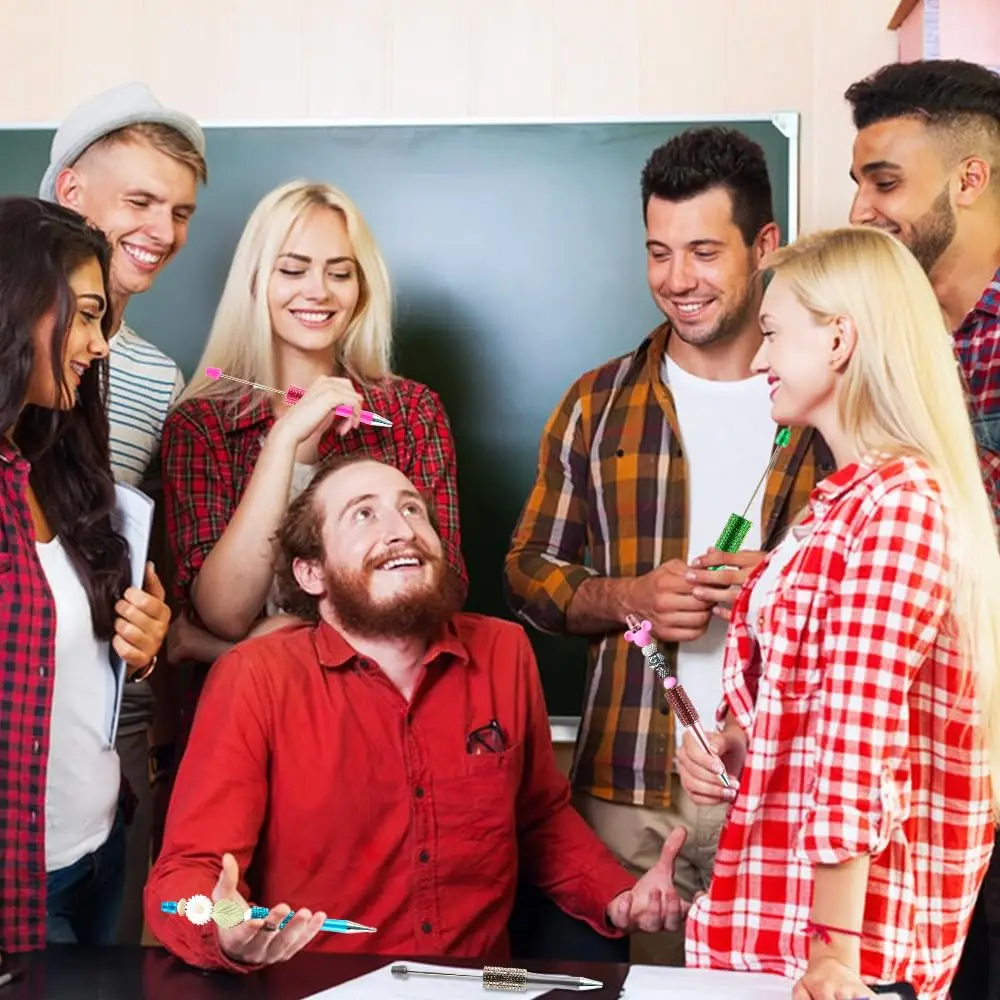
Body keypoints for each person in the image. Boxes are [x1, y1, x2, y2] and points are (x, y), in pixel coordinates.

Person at [144, 455, 687, 970]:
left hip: (486, 979)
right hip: (322, 987)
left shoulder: (505, 651)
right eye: (364, 513)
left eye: (412, 509)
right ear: (312, 574)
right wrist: (226, 925)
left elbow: (539, 819)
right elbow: (185, 876)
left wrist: (616, 895)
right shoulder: (255, 677)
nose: (401, 529)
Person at [503, 127, 833, 964]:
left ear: (766, 245)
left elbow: (888, 585)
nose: (677, 281)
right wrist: (633, 598)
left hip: (786, 780)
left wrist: (774, 585)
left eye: (703, 251)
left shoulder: (829, 400)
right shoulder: (597, 402)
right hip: (628, 787)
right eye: (658, 252)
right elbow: (526, 574)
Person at [675, 226, 1000, 1000]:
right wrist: (739, 743)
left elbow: (858, 741)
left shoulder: (898, 509)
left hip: (838, 954)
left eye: (775, 335)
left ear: (841, 338)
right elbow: (820, 717)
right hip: (779, 931)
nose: (757, 360)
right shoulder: (840, 507)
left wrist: (834, 954)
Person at [161, 180, 463, 695]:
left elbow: (439, 590)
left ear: (361, 288)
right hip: (245, 723)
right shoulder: (201, 424)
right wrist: (285, 442)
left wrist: (256, 642)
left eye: (339, 273)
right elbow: (226, 612)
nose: (318, 291)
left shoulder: (410, 412)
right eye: (293, 269)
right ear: (256, 281)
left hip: (384, 709)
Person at [843, 59, 1000, 1000]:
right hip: (918, 780)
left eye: (885, 180)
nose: (862, 208)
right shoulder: (885, 346)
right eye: (859, 180)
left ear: (972, 178)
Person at [40, 80, 208, 944]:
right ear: (71, 190)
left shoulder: (154, 376)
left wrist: (150, 630)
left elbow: (129, 560)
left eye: (179, 210)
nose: (164, 231)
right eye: (139, 200)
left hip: (110, 752)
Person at [0, 197, 171, 953]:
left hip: (97, 852)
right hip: (19, 893)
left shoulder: (58, 468)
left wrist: (139, 644)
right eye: (88, 315)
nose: (100, 346)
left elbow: (54, 662)